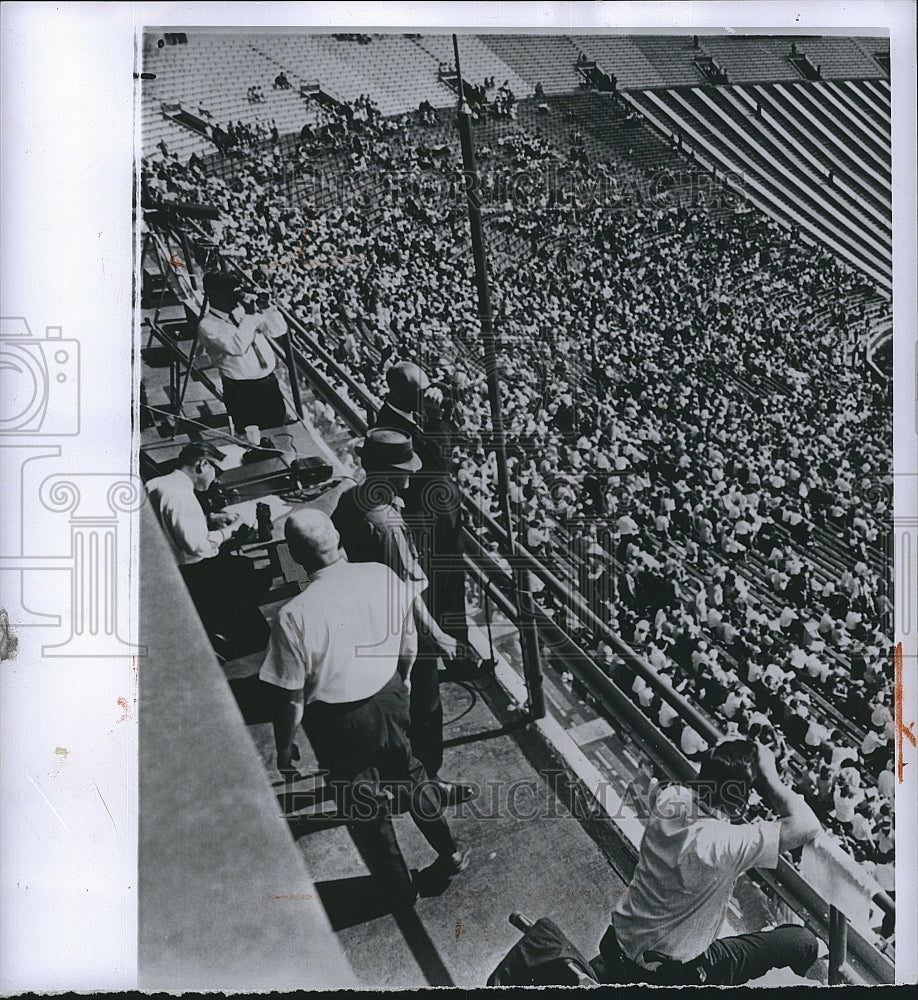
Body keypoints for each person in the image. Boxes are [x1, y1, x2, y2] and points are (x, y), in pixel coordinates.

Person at [259, 510, 469, 908]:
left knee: (365, 810)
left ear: (295, 556)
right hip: (390, 693)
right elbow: (409, 640)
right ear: (337, 538)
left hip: (340, 721)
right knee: (412, 775)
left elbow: (290, 697)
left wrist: (284, 750)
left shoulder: (293, 615)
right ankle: (450, 851)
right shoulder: (381, 575)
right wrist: (401, 682)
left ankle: (399, 889)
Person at [599, 739, 821, 986]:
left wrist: (730, 761)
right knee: (803, 943)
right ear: (740, 801)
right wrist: (770, 776)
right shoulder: (727, 844)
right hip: (670, 976)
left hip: (618, 945)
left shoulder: (670, 796)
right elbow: (808, 825)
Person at [332, 428, 469, 796]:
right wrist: (436, 634)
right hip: (398, 626)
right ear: (388, 473)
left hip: (366, 620)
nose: (410, 475)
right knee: (425, 708)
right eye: (404, 469)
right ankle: (428, 781)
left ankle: (392, 771)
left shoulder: (350, 499)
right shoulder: (388, 526)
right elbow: (408, 590)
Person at [373, 361, 477, 659]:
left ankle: (457, 645)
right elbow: (437, 466)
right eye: (422, 389)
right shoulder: (389, 429)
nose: (430, 393)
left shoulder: (411, 410)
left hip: (440, 514)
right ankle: (449, 651)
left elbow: (453, 443)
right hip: (427, 523)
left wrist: (443, 417)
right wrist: (433, 421)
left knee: (451, 586)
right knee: (441, 588)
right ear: (401, 392)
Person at [145, 441, 271, 657]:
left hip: (160, 562)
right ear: (202, 464)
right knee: (251, 573)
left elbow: (171, 521)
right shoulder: (183, 496)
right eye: (216, 470)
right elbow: (200, 547)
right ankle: (220, 634)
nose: (216, 479)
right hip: (188, 574)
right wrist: (231, 530)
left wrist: (209, 518)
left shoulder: (157, 483)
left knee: (242, 564)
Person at [197, 271, 289, 432]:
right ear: (214, 295)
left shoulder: (243, 312)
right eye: (230, 293)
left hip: (268, 383)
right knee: (252, 436)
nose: (236, 298)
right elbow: (237, 347)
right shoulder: (207, 326)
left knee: (278, 430)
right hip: (242, 390)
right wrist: (250, 316)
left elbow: (278, 330)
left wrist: (266, 307)